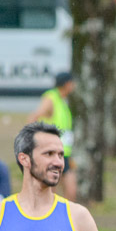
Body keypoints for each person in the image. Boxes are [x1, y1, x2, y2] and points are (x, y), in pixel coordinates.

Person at [28, 71, 78, 200]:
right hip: (51, 153)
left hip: (65, 153)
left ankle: (65, 218)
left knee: (71, 191)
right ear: (67, 84)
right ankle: (47, 217)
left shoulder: (62, 101)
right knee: (50, 191)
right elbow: (34, 117)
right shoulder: (51, 98)